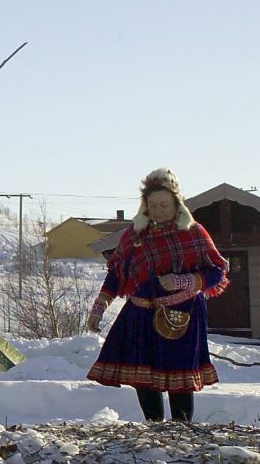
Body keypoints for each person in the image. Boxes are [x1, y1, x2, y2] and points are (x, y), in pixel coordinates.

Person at [85, 168, 229, 421]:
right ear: (145, 206)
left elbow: (217, 271)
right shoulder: (134, 235)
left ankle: (181, 430)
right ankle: (155, 429)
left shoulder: (193, 233)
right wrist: (99, 307)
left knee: (179, 379)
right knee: (145, 379)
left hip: (181, 317)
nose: (159, 210)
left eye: (164, 205)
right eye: (153, 205)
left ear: (177, 204)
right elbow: (117, 273)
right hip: (140, 315)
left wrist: (183, 280)